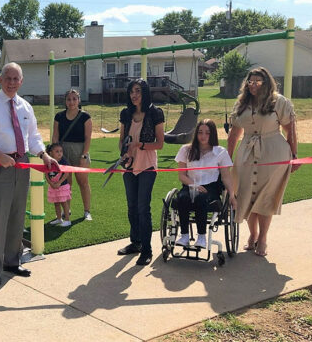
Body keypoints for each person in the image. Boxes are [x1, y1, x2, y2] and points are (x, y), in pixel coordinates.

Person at [0, 62, 59, 286]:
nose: (12, 83)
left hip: (21, 165)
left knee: (17, 214)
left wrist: (44, 155)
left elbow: (33, 136)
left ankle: (12, 260)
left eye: (16, 79)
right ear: (0, 80)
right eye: (8, 78)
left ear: (21, 81)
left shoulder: (25, 107)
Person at [227, 66, 298, 257]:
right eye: (250, 81)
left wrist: (294, 155)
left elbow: (290, 129)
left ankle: (263, 239)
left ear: (266, 82)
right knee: (247, 196)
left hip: (273, 154)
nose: (254, 85)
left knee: (266, 197)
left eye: (258, 81)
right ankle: (252, 235)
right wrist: (227, 158)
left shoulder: (279, 102)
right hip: (247, 154)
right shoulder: (241, 104)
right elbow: (234, 133)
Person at [116, 79, 164, 266]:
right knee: (132, 207)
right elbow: (121, 140)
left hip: (147, 166)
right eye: (131, 91)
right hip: (128, 166)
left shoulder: (155, 113)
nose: (134, 95)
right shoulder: (126, 114)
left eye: (137, 91)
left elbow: (160, 144)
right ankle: (135, 243)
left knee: (143, 208)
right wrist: (125, 153)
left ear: (144, 92)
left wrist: (139, 145)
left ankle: (147, 250)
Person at [174, 119, 238, 248]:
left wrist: (232, 195)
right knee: (182, 198)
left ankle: (202, 237)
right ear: (196, 134)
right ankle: (184, 235)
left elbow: (226, 177)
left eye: (207, 133)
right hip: (190, 185)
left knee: (201, 198)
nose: (203, 136)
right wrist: (194, 185)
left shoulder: (220, 152)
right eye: (200, 132)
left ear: (213, 134)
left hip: (211, 188)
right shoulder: (186, 150)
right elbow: (181, 175)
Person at [52, 89, 93, 220]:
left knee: (83, 182)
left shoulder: (85, 117)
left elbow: (88, 138)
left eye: (74, 99)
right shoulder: (58, 116)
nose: (71, 102)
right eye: (69, 99)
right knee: (66, 183)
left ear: (79, 100)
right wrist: (55, 155)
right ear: (65, 101)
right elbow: (55, 136)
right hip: (63, 153)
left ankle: (87, 211)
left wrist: (84, 156)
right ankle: (66, 210)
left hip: (80, 151)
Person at [44, 143, 72, 227]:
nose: (60, 153)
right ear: (50, 153)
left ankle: (67, 220)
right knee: (56, 203)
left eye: (61, 151)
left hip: (62, 186)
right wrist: (50, 183)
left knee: (63, 202)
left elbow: (66, 173)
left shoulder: (63, 161)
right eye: (57, 151)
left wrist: (59, 182)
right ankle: (59, 218)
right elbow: (46, 173)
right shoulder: (48, 161)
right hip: (53, 186)